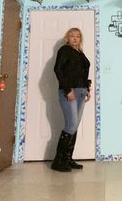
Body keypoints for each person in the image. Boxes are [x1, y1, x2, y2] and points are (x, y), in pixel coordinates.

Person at [51, 27, 91, 172]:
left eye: (78, 36)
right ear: (67, 38)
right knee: (71, 124)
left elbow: (82, 72)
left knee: (74, 125)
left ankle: (67, 159)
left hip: (81, 92)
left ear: (80, 39)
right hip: (69, 91)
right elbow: (58, 69)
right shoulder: (65, 50)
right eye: (72, 36)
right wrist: (67, 90)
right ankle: (58, 161)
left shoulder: (80, 53)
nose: (75, 38)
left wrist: (87, 88)